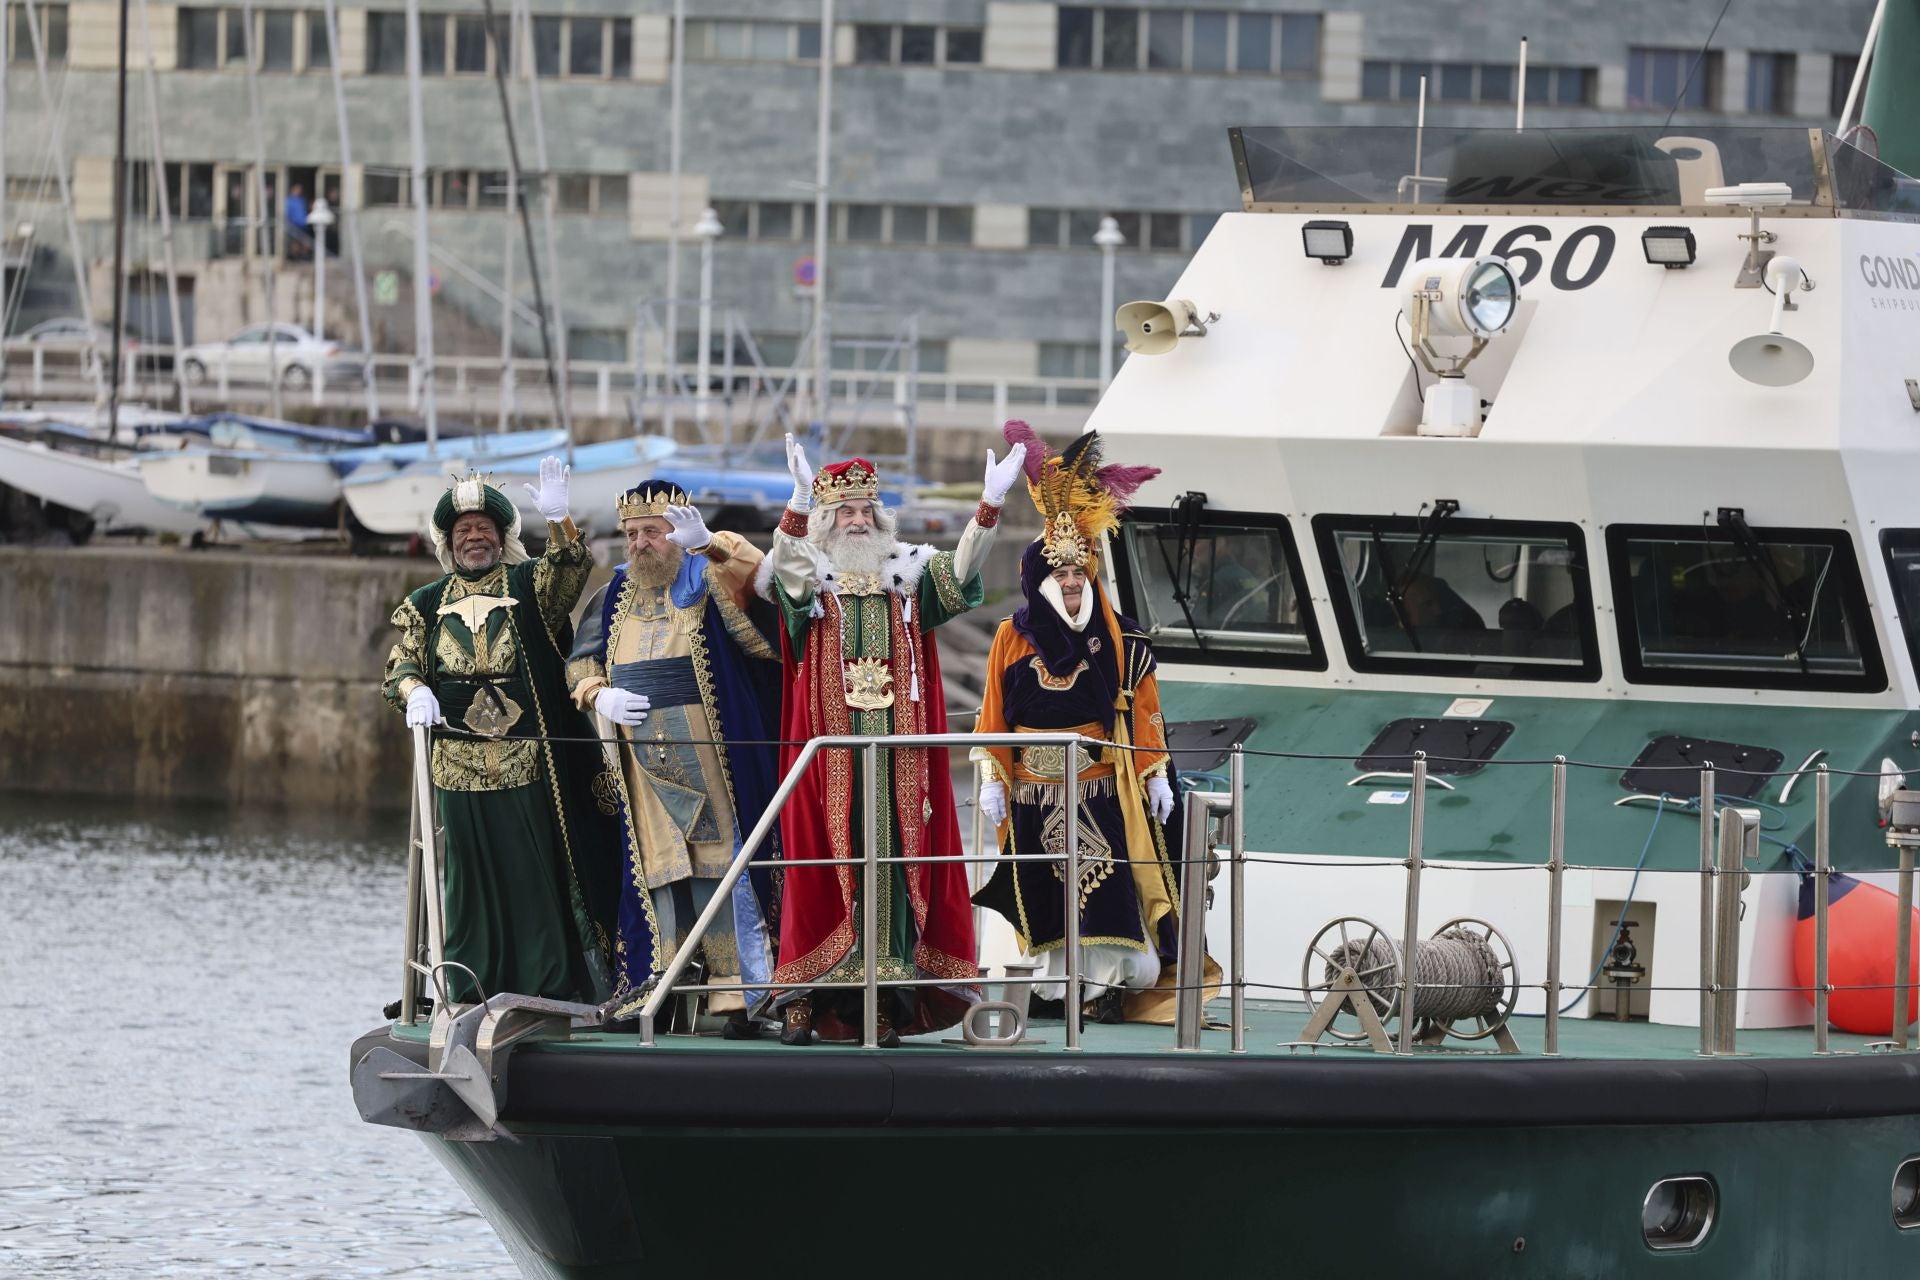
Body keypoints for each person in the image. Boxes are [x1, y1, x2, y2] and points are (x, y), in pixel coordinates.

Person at [759, 432, 1027, 1046]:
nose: (857, 521)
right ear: (827, 522)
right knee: (822, 866)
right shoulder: (814, 581)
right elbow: (789, 567)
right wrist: (799, 498)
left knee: (901, 861)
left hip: (899, 756)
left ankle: (884, 997)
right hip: (828, 758)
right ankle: (809, 997)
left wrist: (987, 508)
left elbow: (959, 574)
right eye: (845, 512)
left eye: (865, 512)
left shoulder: (907, 575)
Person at [971, 423, 1204, 1025]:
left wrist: (1154, 773)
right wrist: (994, 777)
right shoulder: (1010, 638)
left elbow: (1146, 708)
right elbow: (994, 708)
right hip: (1031, 790)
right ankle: (1051, 991)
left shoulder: (1121, 639)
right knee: (1044, 890)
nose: (1071, 585)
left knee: (1104, 892)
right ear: (1043, 580)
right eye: (1061, 577)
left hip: (1101, 786)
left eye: (1079, 576)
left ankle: (1102, 988)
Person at [381, 458, 617, 1007]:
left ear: (501, 535)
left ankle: (542, 983)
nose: (474, 538)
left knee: (531, 872)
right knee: (467, 884)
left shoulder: (527, 584)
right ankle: (467, 983)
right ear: (449, 542)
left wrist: (558, 519)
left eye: (484, 529)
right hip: (456, 765)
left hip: (526, 760)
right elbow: (400, 665)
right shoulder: (425, 604)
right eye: (463, 531)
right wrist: (414, 690)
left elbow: (568, 573)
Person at [567, 481, 784, 1036]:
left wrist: (712, 543)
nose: (640, 544)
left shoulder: (707, 576)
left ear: (676, 534)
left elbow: (767, 589)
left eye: (652, 532)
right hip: (637, 749)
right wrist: (598, 694)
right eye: (632, 534)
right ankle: (660, 989)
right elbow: (581, 662)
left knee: (720, 865)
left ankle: (737, 998)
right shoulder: (613, 593)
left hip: (706, 742)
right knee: (660, 869)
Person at [285, 182, 310, 260]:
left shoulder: (302, 200)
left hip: (303, 225)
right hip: (294, 225)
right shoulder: (289, 200)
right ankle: (295, 257)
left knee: (305, 241)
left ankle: (303, 256)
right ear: (293, 190)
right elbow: (287, 213)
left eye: (300, 189)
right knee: (295, 242)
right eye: (297, 189)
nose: (299, 191)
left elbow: (304, 211)